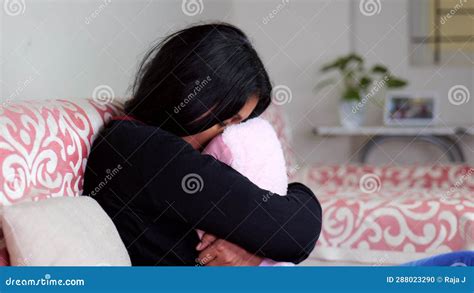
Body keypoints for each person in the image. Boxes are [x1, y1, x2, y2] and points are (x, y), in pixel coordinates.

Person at [83, 23, 322, 266]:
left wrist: (251, 250)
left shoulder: (132, 137)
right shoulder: (148, 151)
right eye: (223, 121)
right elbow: (294, 233)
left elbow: (284, 219)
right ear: (189, 90)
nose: (223, 135)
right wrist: (256, 246)